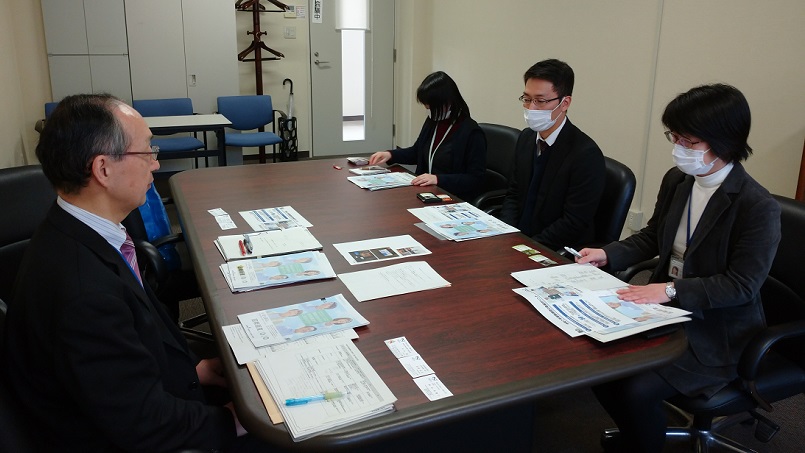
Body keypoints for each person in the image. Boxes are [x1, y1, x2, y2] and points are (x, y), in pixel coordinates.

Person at [1, 94, 264, 452]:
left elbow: (131, 350)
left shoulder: (76, 229)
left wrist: (196, 370)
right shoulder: (83, 293)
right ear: (103, 169)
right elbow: (144, 425)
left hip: (146, 399)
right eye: (147, 152)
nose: (155, 165)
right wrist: (242, 418)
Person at [576, 83, 781, 452]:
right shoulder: (679, 181)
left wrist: (671, 290)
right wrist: (607, 254)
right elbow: (655, 237)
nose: (678, 149)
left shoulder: (756, 207)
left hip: (717, 331)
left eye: (690, 141)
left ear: (725, 141)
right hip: (662, 309)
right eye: (675, 137)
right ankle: (641, 437)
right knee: (596, 367)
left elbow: (741, 286)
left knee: (636, 389)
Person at [499, 59, 605, 250]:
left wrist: (529, 247)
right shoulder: (526, 138)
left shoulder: (585, 154)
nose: (531, 108)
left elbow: (574, 222)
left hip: (556, 249)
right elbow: (514, 194)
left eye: (540, 101)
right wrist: (507, 234)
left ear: (565, 103)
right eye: (526, 99)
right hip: (518, 242)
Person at [368, 71, 486, 201]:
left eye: (431, 106)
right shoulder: (433, 121)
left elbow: (475, 179)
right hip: (425, 192)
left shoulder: (471, 132)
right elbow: (417, 152)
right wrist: (390, 155)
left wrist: (437, 179)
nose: (427, 109)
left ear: (447, 101)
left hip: (451, 197)